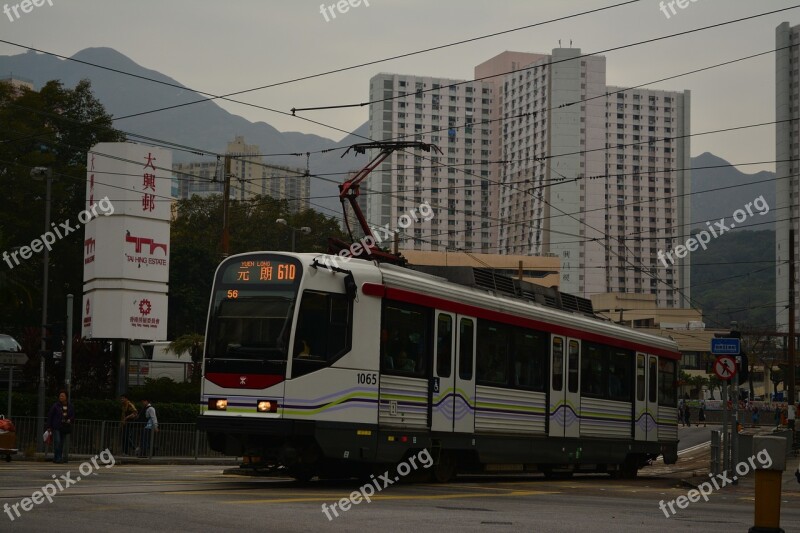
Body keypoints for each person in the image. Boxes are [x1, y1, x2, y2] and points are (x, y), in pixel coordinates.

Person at [46, 390, 75, 464]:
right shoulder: (56, 405)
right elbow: (50, 415)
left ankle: (57, 458)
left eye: (63, 396)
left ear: (66, 397)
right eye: (60, 396)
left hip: (64, 426)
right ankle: (58, 458)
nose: (61, 397)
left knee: (61, 443)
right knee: (57, 442)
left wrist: (70, 420)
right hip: (56, 426)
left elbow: (72, 415)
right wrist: (49, 426)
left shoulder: (70, 406)